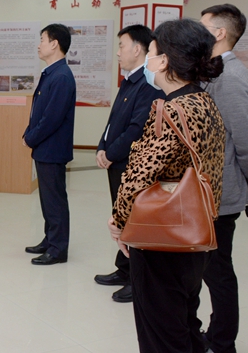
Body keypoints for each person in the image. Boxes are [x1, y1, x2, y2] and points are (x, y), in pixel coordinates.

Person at [108, 18, 225, 352]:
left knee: (161, 333)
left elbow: (140, 174)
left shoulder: (170, 110)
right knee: (185, 323)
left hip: (161, 238)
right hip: (195, 231)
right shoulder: (205, 102)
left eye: (152, 51)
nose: (148, 59)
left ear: (164, 61)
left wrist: (118, 220)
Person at [200, 4, 248, 353]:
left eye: (203, 27)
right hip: (212, 190)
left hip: (221, 193)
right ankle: (214, 334)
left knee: (218, 272)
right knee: (211, 269)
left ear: (219, 33)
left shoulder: (229, 78)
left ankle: (222, 342)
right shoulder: (217, 72)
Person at [94, 25, 164, 303]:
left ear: (137, 49)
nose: (118, 52)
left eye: (122, 46)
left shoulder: (148, 84)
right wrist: (101, 146)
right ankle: (124, 269)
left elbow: (136, 128)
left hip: (131, 164)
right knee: (121, 216)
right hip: (117, 161)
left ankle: (138, 279)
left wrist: (111, 153)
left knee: (134, 220)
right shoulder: (129, 81)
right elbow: (114, 122)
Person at [23, 23, 76, 265]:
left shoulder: (61, 76)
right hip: (45, 148)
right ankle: (50, 239)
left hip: (52, 148)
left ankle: (58, 249)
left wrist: (31, 137)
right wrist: (29, 132)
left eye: (42, 40)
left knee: (55, 200)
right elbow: (40, 112)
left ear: (54, 44)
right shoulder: (52, 73)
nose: (39, 45)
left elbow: (52, 118)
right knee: (47, 199)